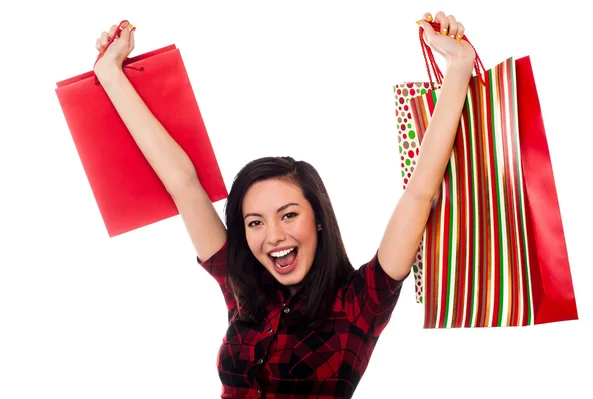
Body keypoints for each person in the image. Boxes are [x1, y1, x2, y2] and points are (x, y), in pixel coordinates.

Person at [93, 11, 475, 399]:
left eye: (288, 215)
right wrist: (111, 75)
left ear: (319, 219)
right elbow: (183, 183)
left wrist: (458, 69)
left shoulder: (360, 304)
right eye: (255, 222)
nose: (274, 237)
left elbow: (419, 194)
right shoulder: (242, 289)